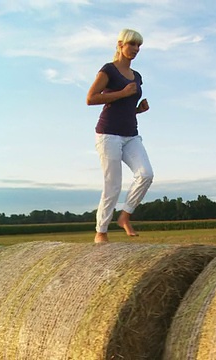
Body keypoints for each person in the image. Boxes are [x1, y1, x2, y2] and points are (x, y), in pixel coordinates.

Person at [86, 28, 154, 244]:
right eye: (132, 44)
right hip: (108, 134)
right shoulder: (109, 70)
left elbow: (124, 107)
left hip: (131, 134)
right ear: (120, 45)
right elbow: (90, 98)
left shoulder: (138, 76)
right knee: (113, 185)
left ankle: (125, 216)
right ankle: (101, 231)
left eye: (138, 46)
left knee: (146, 174)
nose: (135, 49)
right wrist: (123, 93)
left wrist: (137, 110)